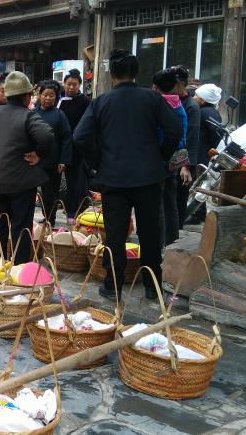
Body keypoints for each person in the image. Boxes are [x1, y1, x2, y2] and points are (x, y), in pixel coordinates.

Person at [73, 50, 182, 301]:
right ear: (136, 73)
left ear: (112, 75)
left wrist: (97, 162)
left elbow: (80, 137)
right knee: (150, 232)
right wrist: (160, 155)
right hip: (149, 177)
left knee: (115, 234)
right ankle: (152, 285)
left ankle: (113, 285)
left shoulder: (101, 102)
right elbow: (175, 130)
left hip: (113, 178)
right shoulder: (152, 98)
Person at [0, 71, 55, 264]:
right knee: (21, 226)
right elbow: (47, 136)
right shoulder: (28, 116)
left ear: (7, 95)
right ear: (27, 96)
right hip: (20, 182)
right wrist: (38, 154)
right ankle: (19, 266)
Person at [151, 68, 188, 247]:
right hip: (177, 156)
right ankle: (172, 238)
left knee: (157, 200)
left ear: (155, 87)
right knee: (170, 198)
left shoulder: (159, 105)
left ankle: (158, 241)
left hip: (161, 156)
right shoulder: (178, 103)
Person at [34, 80, 72, 227]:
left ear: (56, 97)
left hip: (53, 161)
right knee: (34, 193)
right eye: (45, 95)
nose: (48, 98)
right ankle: (39, 217)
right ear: (40, 95)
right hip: (34, 161)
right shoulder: (33, 113)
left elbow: (67, 138)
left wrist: (64, 160)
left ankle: (51, 219)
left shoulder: (59, 115)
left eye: (51, 95)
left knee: (51, 194)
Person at [57, 69, 92, 223]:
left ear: (79, 85)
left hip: (76, 146)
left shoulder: (85, 101)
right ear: (64, 84)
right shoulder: (58, 99)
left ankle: (74, 210)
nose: (71, 87)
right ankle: (55, 209)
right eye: (68, 84)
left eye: (75, 84)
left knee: (75, 181)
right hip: (59, 145)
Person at [186, 84, 223, 224]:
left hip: (201, 154)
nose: (194, 97)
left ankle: (197, 214)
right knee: (198, 183)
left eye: (197, 96)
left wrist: (209, 147)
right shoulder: (207, 111)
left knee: (198, 184)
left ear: (203, 100)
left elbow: (216, 133)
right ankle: (198, 213)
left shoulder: (206, 112)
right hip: (201, 152)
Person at [172, 65, 199, 229]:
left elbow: (191, 138)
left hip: (182, 161)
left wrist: (185, 166)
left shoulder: (191, 106)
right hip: (170, 158)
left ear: (181, 83)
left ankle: (176, 231)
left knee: (179, 199)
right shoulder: (170, 99)